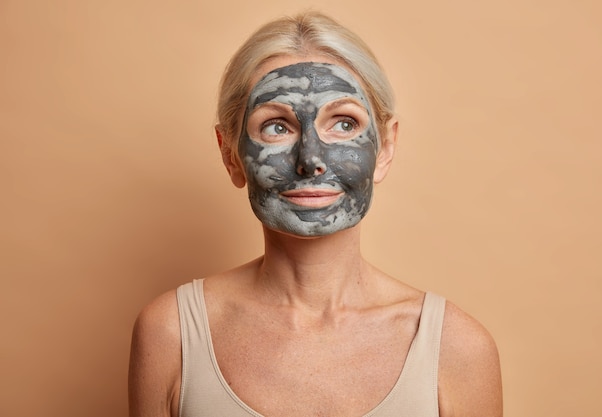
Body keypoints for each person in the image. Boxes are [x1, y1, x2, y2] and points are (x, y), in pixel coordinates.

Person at [128, 11, 502, 417]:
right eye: (276, 127)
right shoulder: (171, 334)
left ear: (385, 147)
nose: (310, 161)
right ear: (229, 153)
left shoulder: (457, 348)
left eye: (343, 123)